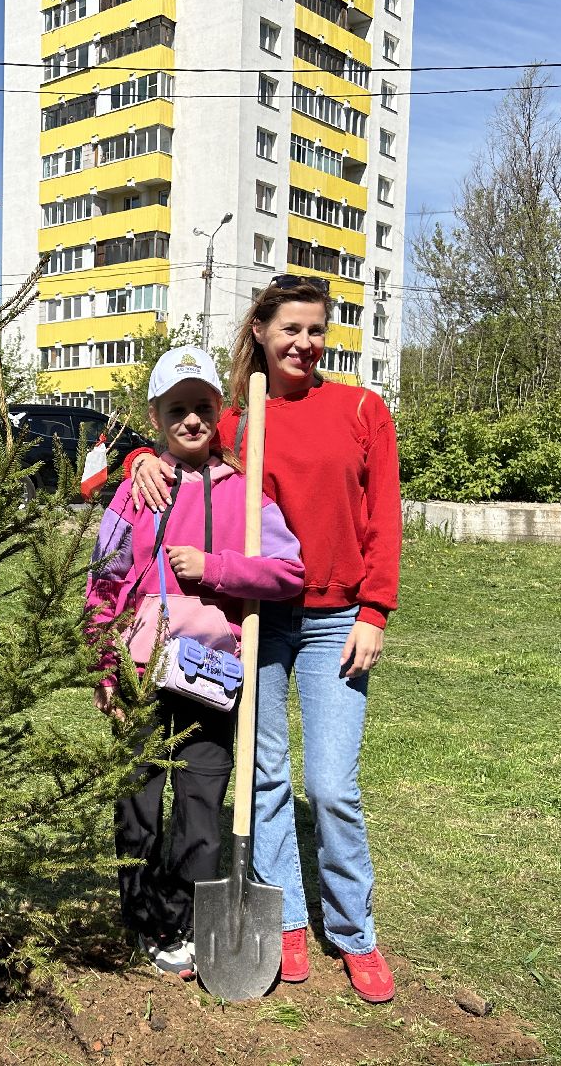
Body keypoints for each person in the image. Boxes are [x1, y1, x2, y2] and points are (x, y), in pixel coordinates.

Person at [127, 275, 403, 1003]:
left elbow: (385, 515)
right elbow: (181, 448)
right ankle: (284, 917)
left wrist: (375, 611)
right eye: (291, 330)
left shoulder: (362, 409)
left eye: (316, 330)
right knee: (266, 774)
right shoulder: (241, 418)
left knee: (331, 787)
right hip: (258, 618)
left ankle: (355, 933)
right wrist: (137, 460)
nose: (305, 344)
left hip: (337, 618)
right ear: (261, 331)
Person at [87, 346, 305, 979]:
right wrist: (104, 665)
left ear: (219, 412)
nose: (191, 420)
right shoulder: (137, 490)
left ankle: (181, 921)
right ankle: (142, 918)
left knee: (203, 799)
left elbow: (289, 571)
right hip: (140, 672)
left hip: (212, 672)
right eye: (177, 409)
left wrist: (215, 568)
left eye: (202, 407)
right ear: (155, 417)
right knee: (138, 797)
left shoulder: (244, 492)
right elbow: (105, 581)